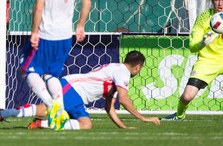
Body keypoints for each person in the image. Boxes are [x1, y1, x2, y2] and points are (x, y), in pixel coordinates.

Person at [18, 0, 92, 130]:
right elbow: (87, 1)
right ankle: (59, 111)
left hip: (46, 35)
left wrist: (34, 32)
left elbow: (39, 6)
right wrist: (80, 26)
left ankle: (52, 106)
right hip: (65, 36)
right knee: (51, 74)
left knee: (26, 69)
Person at [2, 51, 161, 130]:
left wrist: (122, 126)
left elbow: (109, 107)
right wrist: (143, 118)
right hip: (73, 88)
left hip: (79, 97)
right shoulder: (123, 73)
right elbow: (125, 100)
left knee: (85, 124)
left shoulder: (116, 71)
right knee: (46, 109)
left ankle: (41, 124)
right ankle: (4, 113)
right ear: (138, 67)